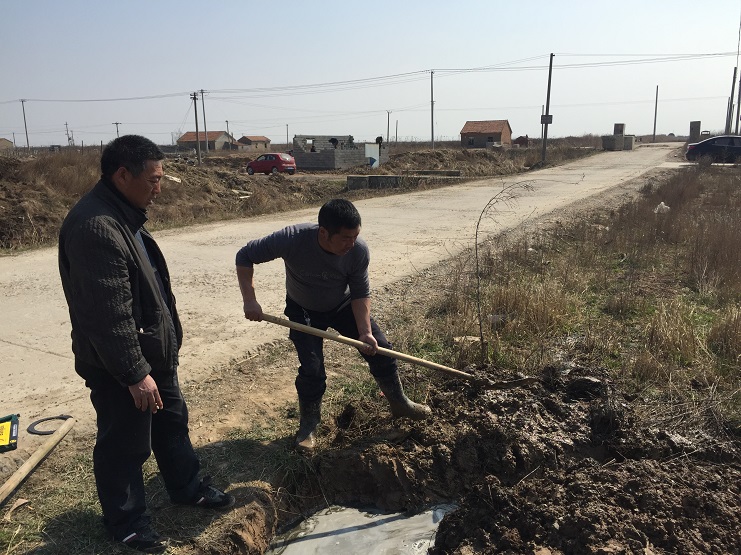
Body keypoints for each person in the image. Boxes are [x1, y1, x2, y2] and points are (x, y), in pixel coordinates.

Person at [58, 135, 234, 553]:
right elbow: (107, 315)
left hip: (152, 355)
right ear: (123, 175)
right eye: (154, 179)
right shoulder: (96, 227)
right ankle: (127, 522)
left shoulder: (124, 215)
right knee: (125, 442)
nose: (160, 188)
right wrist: (135, 373)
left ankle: (186, 488)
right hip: (119, 365)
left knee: (172, 423)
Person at [235, 198, 431, 453]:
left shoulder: (358, 251)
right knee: (312, 368)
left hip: (342, 304)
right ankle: (309, 425)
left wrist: (365, 332)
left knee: (380, 348)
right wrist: (249, 300)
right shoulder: (291, 239)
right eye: (346, 238)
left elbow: (360, 293)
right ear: (324, 233)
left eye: (355, 237)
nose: (352, 244)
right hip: (303, 308)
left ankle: (399, 403)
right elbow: (245, 255)